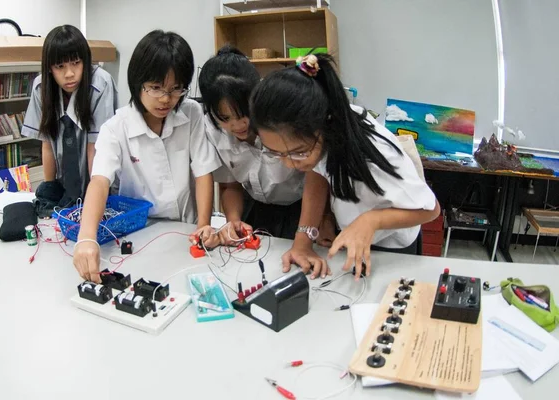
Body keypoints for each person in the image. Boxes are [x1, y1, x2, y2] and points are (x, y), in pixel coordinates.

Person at [250, 54, 440, 281]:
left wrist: (371, 221)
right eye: (277, 153)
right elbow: (316, 173)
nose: (290, 163)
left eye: (298, 152)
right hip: (352, 231)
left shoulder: (372, 152)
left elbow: (431, 209)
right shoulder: (323, 129)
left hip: (391, 245)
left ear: (323, 124)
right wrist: (303, 242)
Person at [73, 30, 221, 283]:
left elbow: (203, 171)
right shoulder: (115, 128)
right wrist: (86, 238)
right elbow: (99, 181)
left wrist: (203, 226)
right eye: (156, 88)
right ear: (137, 82)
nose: (166, 99)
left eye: (176, 89)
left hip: (186, 228)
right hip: (140, 233)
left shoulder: (192, 113)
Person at [199, 45, 310, 243]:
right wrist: (234, 221)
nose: (238, 124)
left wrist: (317, 225)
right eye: (225, 117)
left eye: (244, 113)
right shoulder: (212, 128)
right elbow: (230, 185)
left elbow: (316, 177)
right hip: (254, 207)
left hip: (303, 208)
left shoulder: (281, 117)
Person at [22, 24, 117, 208]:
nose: (69, 74)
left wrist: (94, 201)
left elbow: (95, 148)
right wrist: (50, 190)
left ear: (86, 61)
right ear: (49, 68)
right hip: (64, 181)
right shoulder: (41, 87)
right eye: (60, 66)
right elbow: (47, 143)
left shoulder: (100, 84)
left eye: (76, 63)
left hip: (96, 173)